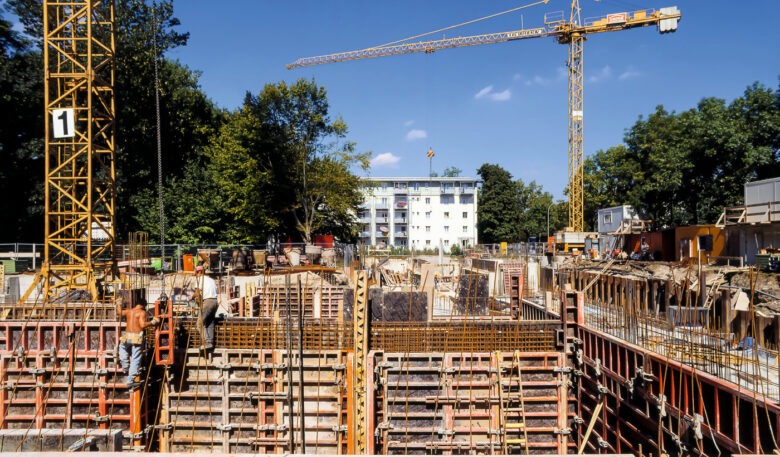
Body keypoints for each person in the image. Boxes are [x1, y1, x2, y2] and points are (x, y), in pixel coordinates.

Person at [116, 297, 159, 390]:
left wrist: (118, 302)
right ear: (143, 305)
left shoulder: (129, 311)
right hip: (136, 338)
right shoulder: (142, 312)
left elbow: (119, 312)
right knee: (135, 359)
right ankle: (130, 381)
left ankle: (125, 367)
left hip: (127, 336)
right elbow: (142, 325)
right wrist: (153, 322)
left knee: (122, 348)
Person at [194, 265, 219, 356]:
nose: (195, 275)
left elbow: (197, 293)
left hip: (207, 302)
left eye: (195, 273)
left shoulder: (200, 279)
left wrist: (190, 298)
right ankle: (210, 342)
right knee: (209, 322)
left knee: (199, 324)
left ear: (199, 272)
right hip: (215, 302)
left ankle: (206, 342)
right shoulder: (212, 280)